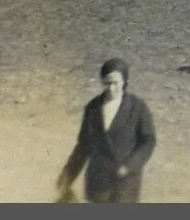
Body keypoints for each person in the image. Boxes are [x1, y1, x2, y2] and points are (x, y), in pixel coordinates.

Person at [56, 58, 157, 203]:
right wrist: (67, 175)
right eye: (107, 83)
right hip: (98, 183)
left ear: (124, 82)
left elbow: (148, 141)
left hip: (125, 184)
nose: (111, 88)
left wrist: (130, 165)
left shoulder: (137, 108)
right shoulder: (93, 108)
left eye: (115, 83)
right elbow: (83, 146)